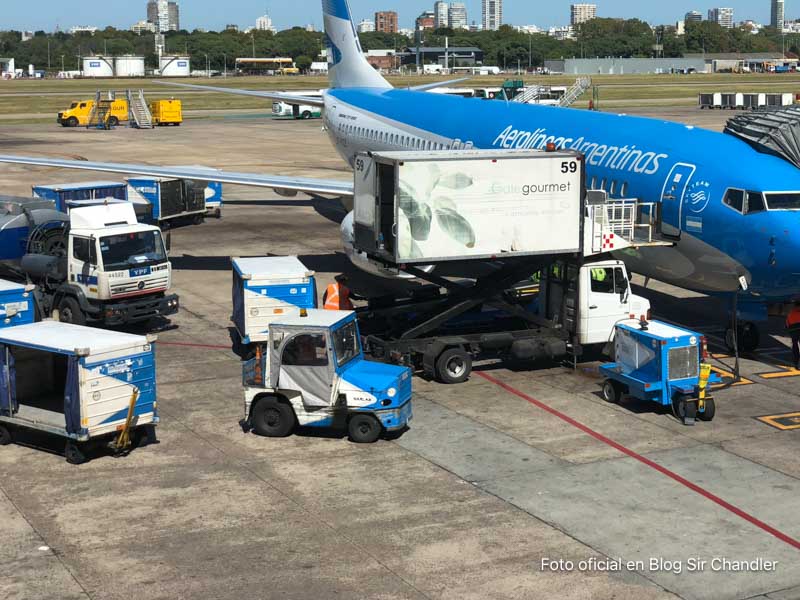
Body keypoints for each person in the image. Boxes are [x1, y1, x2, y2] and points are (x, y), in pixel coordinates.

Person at [786, 302, 800, 368]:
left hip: (793, 332)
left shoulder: (790, 314)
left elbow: (787, 324)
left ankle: (796, 362)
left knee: (795, 346)